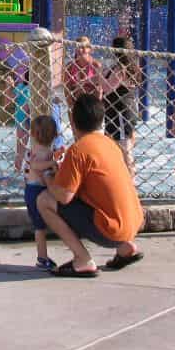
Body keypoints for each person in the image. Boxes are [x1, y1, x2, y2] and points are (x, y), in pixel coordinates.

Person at [38, 93, 145, 278]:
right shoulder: (111, 144)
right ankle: (126, 247)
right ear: (101, 119)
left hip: (110, 231)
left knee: (44, 200)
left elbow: (64, 196)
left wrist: (48, 177)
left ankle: (82, 259)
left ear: (73, 120)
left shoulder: (78, 150)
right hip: (133, 224)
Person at [23, 114, 62, 270]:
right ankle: (42, 258)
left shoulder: (42, 149)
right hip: (35, 190)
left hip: (35, 189)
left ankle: (43, 257)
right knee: (40, 228)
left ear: (32, 134)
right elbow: (35, 165)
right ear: (55, 135)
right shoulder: (40, 151)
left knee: (41, 227)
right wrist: (53, 162)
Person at [103, 36, 142, 174]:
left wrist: (97, 80)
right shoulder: (130, 66)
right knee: (118, 145)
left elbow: (107, 88)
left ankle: (131, 177)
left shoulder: (121, 69)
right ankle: (122, 176)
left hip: (120, 111)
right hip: (121, 110)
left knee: (124, 148)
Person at [63, 37, 104, 107]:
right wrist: (71, 108)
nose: (82, 49)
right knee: (79, 92)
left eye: (85, 47)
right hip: (76, 102)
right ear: (75, 49)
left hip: (92, 102)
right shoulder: (69, 67)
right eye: (79, 47)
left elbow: (100, 90)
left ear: (90, 50)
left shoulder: (96, 65)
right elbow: (67, 91)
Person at [11, 65, 31, 172]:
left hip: (32, 119)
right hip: (22, 120)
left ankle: (22, 169)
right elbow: (9, 100)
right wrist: (9, 86)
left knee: (26, 147)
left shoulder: (37, 88)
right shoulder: (21, 87)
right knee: (21, 147)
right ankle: (17, 169)